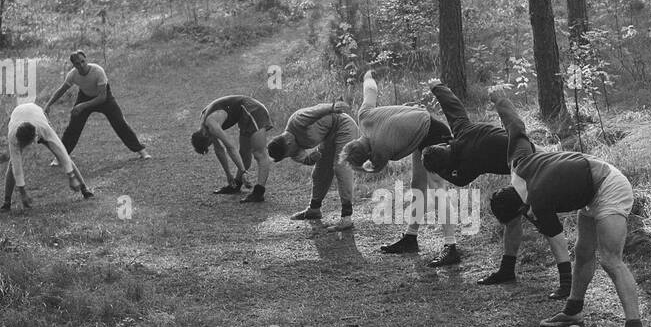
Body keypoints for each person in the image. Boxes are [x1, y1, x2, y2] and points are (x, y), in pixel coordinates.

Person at [488, 86, 647, 327]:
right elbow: (516, 125)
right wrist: (499, 100)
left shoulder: (538, 201)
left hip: (609, 185)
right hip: (587, 189)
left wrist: (536, 220)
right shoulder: (518, 164)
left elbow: (554, 235)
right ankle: (573, 311)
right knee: (583, 253)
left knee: (610, 259)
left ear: (520, 210)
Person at [422, 84, 572, 297]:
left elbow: (461, 180)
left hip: (535, 165)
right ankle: (508, 269)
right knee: (508, 209)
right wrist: (438, 88)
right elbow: (454, 109)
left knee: (544, 221)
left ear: (446, 166)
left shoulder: (467, 163)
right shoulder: (462, 131)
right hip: (526, 160)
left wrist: (444, 173)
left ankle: (567, 282)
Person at [341, 70, 457, 265]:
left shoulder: (380, 150)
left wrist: (359, 168)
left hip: (435, 134)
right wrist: (368, 75)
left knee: (437, 188)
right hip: (422, 131)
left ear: (368, 156)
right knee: (417, 185)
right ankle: (410, 238)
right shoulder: (364, 116)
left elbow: (374, 169)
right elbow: (370, 90)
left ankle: (451, 246)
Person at [266, 101, 359, 229]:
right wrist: (313, 158)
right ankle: (314, 210)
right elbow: (307, 160)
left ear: (287, 142)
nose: (292, 155)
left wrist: (333, 107)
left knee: (341, 167)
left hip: (343, 125)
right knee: (319, 172)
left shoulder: (297, 121)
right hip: (328, 137)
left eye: (289, 153)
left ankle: (347, 217)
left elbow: (317, 110)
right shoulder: (290, 150)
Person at [45, 50, 151, 160]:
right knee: (73, 127)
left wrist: (82, 106)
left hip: (104, 98)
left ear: (86, 60)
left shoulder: (98, 71)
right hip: (85, 96)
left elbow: (102, 98)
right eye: (77, 63)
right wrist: (48, 105)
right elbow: (61, 90)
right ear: (74, 65)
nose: (81, 65)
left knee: (120, 123)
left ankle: (141, 151)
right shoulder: (73, 75)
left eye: (83, 61)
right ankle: (60, 157)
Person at [2, 101, 93, 213]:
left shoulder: (44, 129)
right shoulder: (13, 136)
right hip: (18, 114)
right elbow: (16, 166)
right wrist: (22, 192)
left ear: (34, 138)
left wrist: (71, 177)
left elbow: (62, 152)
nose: (23, 147)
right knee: (12, 162)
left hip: (36, 113)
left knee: (59, 152)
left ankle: (85, 189)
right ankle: (6, 203)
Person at [192, 95, 272, 203]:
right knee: (244, 154)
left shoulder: (212, 126)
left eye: (209, 143)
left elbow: (230, 147)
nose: (212, 143)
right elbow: (219, 150)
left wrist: (243, 171)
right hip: (243, 115)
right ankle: (235, 185)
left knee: (259, 153)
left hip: (254, 110)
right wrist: (228, 175)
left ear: (206, 135)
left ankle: (259, 193)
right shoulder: (205, 127)